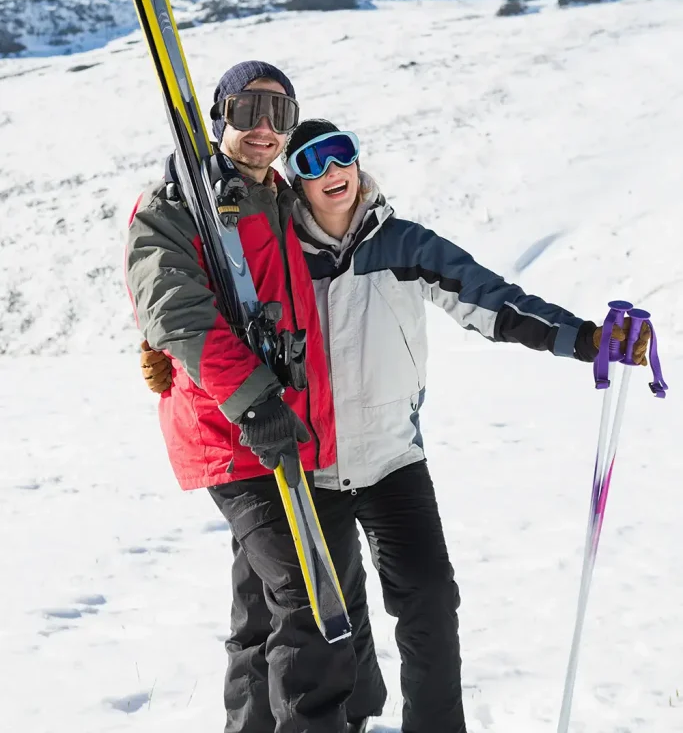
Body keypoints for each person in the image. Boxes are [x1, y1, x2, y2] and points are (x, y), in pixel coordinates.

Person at [142, 116, 651, 733]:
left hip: (391, 460)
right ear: (293, 183)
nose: (333, 172)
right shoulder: (276, 255)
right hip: (311, 465)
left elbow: (494, 301)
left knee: (430, 600)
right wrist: (157, 353)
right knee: (325, 623)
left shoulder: (402, 245)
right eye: (312, 163)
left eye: (342, 156)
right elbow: (202, 308)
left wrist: (589, 338)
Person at [127, 62, 387, 733]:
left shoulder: (282, 200)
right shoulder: (175, 205)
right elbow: (177, 314)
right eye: (247, 112)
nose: (264, 129)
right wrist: (253, 401)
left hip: (291, 432)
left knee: (264, 607)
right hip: (234, 431)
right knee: (307, 597)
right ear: (220, 118)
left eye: (279, 113)